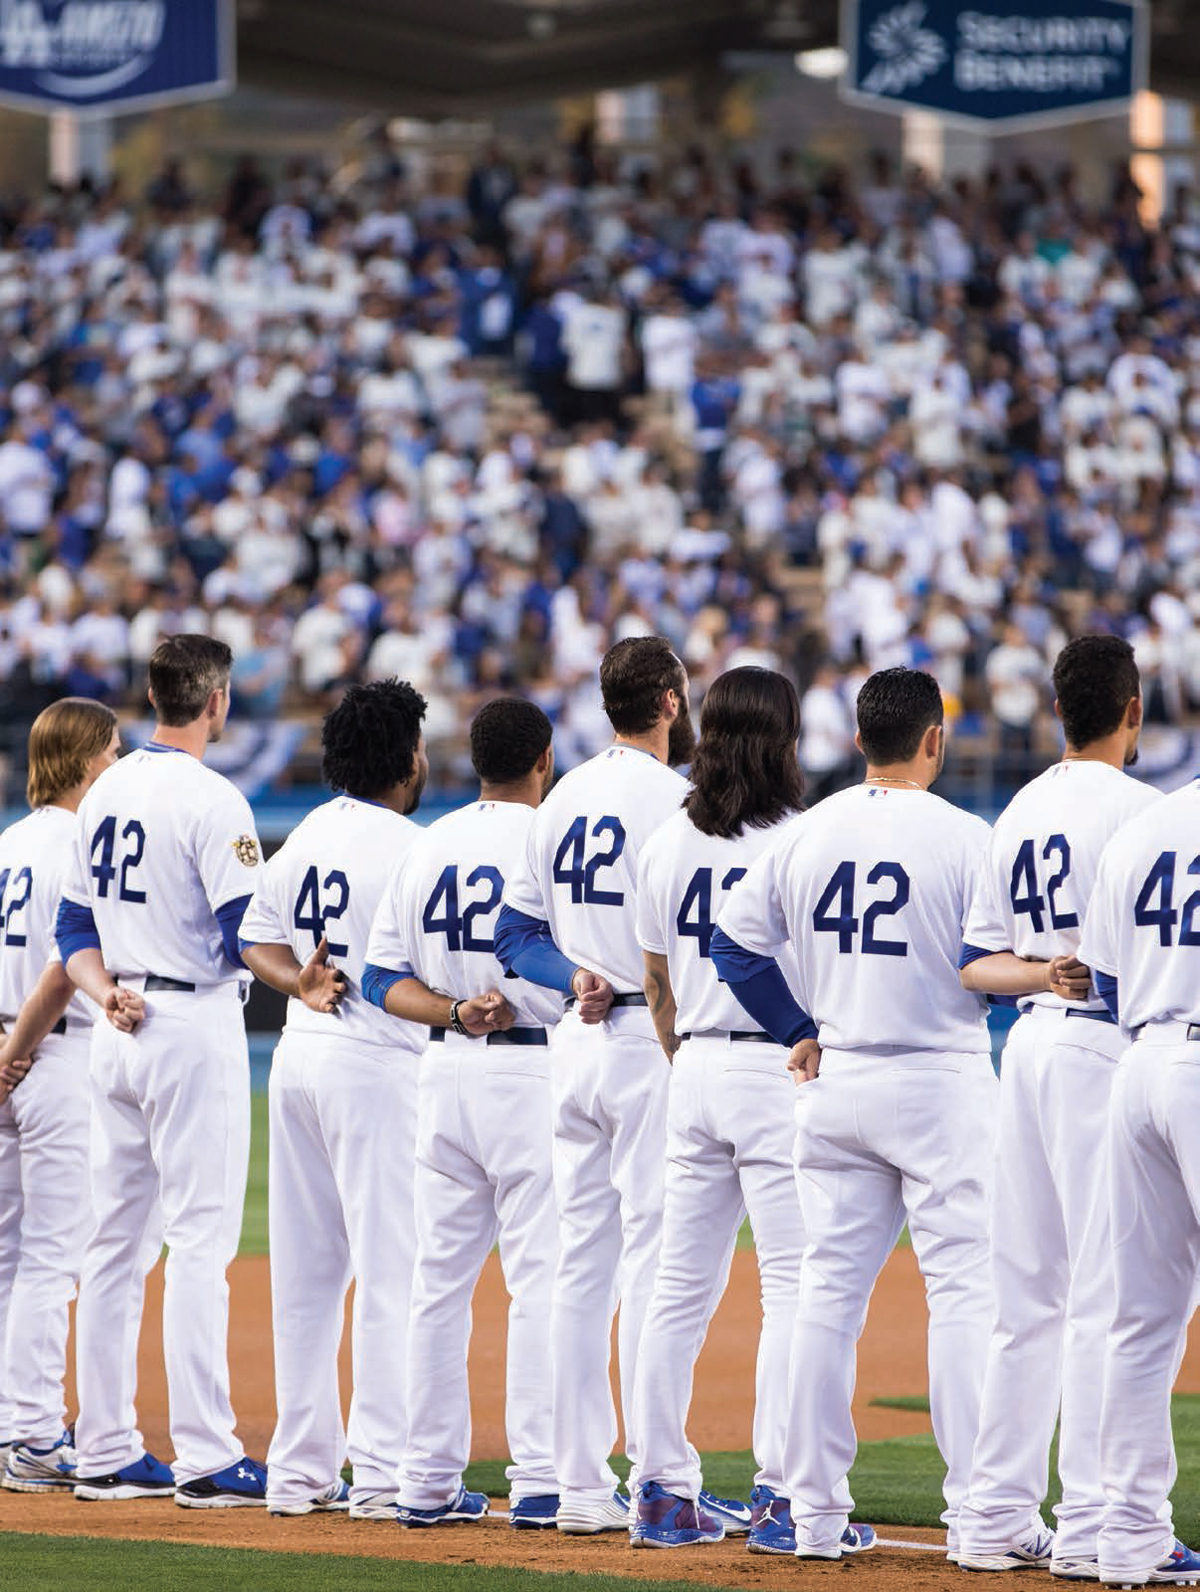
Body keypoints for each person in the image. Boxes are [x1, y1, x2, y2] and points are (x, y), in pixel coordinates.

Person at [712, 667, 995, 1561]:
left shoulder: (810, 829)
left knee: (825, 1299)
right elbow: (989, 964)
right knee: (963, 1296)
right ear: (933, 740)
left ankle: (814, 1514)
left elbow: (733, 946)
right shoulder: (962, 835)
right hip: (938, 1079)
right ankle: (981, 1514)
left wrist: (796, 1026)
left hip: (834, 1080)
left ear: (860, 737)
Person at [496, 637, 748, 1538]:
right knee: (655, 1256)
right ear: (673, 702)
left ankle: (573, 1487)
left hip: (575, 1041)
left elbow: (513, 934)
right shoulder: (678, 801)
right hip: (649, 1040)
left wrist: (572, 979)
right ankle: (659, 1478)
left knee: (580, 1262)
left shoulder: (560, 797)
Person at [954, 636, 1159, 1576]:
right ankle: (1087, 1525)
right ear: (1132, 711)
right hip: (1098, 1049)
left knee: (1026, 1296)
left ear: (1058, 710)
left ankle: (993, 1518)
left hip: (1026, 1047)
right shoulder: (1147, 812)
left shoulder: (1023, 805)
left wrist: (1044, 973)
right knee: (1102, 1296)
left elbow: (979, 965)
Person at [55, 635, 267, 1506]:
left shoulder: (103, 791)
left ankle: (102, 1446)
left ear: (152, 694)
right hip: (187, 1022)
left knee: (113, 1243)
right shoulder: (215, 797)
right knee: (199, 1243)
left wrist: (107, 991)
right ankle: (208, 1454)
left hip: (115, 1023)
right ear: (215, 702)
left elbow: (74, 933)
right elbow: (242, 936)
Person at [361, 697, 563, 1529]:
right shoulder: (548, 840)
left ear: (470, 759)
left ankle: (424, 1481)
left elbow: (379, 980)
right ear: (543, 761)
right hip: (534, 1078)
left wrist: (450, 1011)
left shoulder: (429, 843)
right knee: (544, 1280)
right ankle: (546, 1476)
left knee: (436, 1285)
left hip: (444, 1076)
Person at [238, 680, 429, 1519]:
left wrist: (299, 985)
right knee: (392, 1272)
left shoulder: (311, 828)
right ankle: (383, 1475)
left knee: (307, 1278)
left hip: (301, 1056)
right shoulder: (411, 847)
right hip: (375, 1063)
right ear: (408, 758)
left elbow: (253, 939)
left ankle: (299, 1472)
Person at [628, 667, 808, 1551]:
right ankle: (780, 1494)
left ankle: (659, 1488)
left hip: (691, 1063)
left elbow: (656, 985)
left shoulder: (666, 841)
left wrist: (682, 1060)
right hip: (776, 1068)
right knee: (793, 1290)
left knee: (674, 1291)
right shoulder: (799, 839)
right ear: (784, 737)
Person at [1076, 777, 1200, 1589]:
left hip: (1144, 1062)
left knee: (1139, 1319)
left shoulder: (1144, 828)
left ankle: (1127, 1539)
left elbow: (1108, 984)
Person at [0, 700, 121, 1492]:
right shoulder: (80, 842)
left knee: (10, 1255)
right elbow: (60, 967)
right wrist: (17, 1054)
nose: (119, 763)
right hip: (47, 1052)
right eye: (112, 751)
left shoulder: (10, 840)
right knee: (51, 1255)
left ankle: (14, 1423)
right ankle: (35, 1434)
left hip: (6, 1048)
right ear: (83, 763)